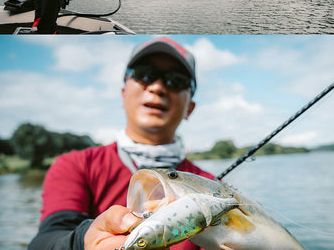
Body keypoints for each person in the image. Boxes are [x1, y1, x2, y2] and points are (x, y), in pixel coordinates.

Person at [28, 37, 215, 250]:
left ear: (189, 108)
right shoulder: (76, 166)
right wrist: (82, 241)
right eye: (145, 75)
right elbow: (46, 240)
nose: (157, 87)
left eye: (176, 80)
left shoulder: (210, 188)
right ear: (123, 93)